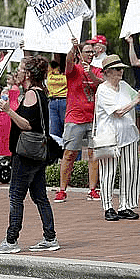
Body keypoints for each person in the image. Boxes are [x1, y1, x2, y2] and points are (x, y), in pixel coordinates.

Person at [0, 56, 60, 253]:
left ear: (28, 74)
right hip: (37, 153)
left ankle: (11, 241)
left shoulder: (31, 94)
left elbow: (28, 125)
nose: (17, 72)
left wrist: (9, 111)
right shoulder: (40, 92)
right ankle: (50, 237)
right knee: (40, 196)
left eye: (20, 69)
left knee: (15, 196)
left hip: (26, 153)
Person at [92, 55, 140, 221]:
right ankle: (108, 207)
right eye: (118, 69)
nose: (121, 72)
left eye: (121, 69)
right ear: (107, 72)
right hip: (109, 138)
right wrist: (136, 101)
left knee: (130, 171)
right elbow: (118, 112)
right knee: (108, 172)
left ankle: (125, 205)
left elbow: (136, 96)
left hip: (129, 135)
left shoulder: (125, 86)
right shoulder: (103, 90)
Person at [56, 38, 102, 203]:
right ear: (80, 54)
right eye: (87, 51)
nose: (90, 54)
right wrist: (72, 47)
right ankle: (62, 190)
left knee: (93, 154)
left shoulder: (97, 70)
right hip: (75, 118)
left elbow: (101, 83)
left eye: (92, 52)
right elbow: (67, 61)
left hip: (93, 118)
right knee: (69, 154)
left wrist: (89, 73)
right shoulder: (74, 70)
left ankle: (92, 190)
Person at [45, 59, 67, 139]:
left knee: (67, 131)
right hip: (52, 102)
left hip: (65, 101)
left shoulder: (68, 67)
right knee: (54, 132)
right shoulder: (51, 67)